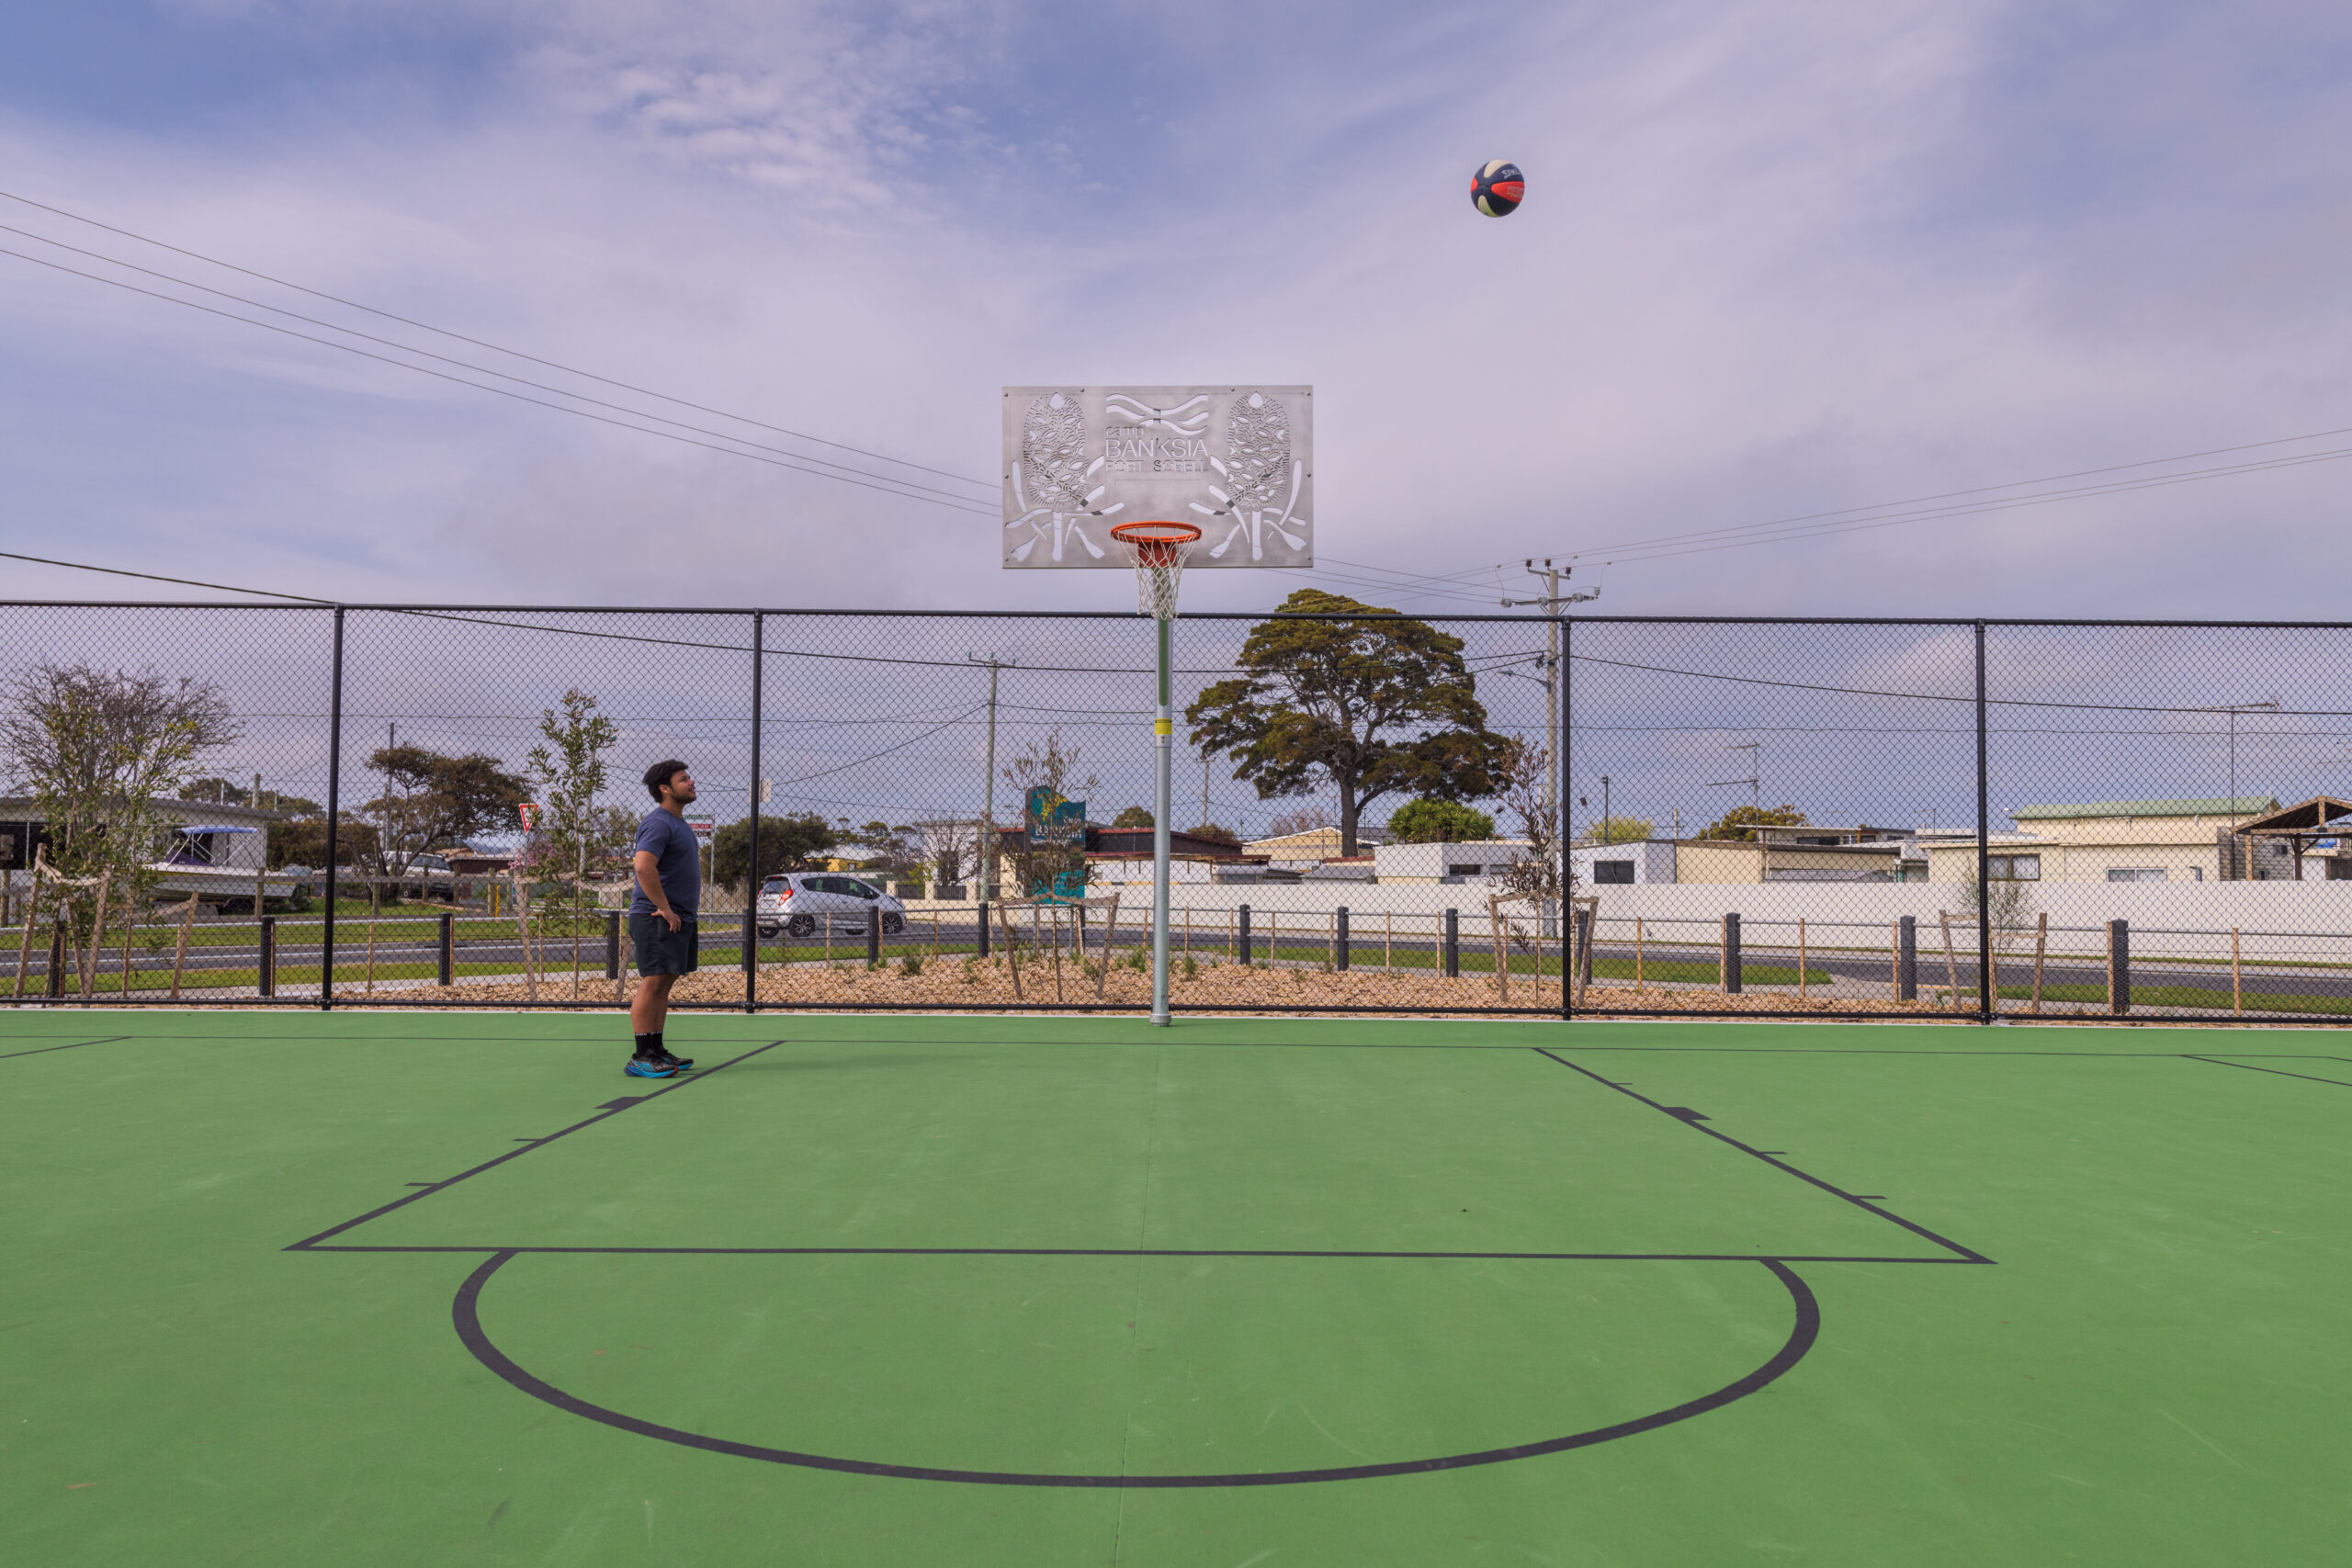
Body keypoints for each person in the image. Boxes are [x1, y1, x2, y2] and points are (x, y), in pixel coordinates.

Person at [626, 759, 702, 1077]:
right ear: (665, 789)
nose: (692, 782)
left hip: (676, 916)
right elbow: (643, 866)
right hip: (656, 916)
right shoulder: (658, 823)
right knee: (653, 982)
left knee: (664, 983)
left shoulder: (678, 823)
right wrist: (666, 908)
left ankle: (657, 1050)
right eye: (684, 779)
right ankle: (640, 1056)